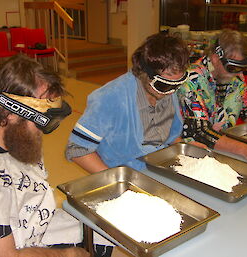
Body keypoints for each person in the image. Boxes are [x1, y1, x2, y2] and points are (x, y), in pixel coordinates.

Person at [0, 55, 126, 257]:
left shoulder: (19, 140)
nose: (43, 131)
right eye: (40, 122)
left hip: (36, 224)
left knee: (109, 227)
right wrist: (70, 254)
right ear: (10, 112)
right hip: (13, 246)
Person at [65, 32, 190, 173]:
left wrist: (188, 152)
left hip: (160, 169)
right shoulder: (110, 98)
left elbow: (170, 137)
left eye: (178, 84)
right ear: (144, 73)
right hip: (125, 174)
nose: (172, 92)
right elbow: (77, 149)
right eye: (165, 85)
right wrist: (116, 180)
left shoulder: (166, 91)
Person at [177, 29, 247, 169]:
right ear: (215, 58)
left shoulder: (234, 75)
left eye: (242, 68)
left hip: (226, 150)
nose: (239, 73)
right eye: (233, 67)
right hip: (195, 157)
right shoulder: (191, 81)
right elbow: (200, 132)